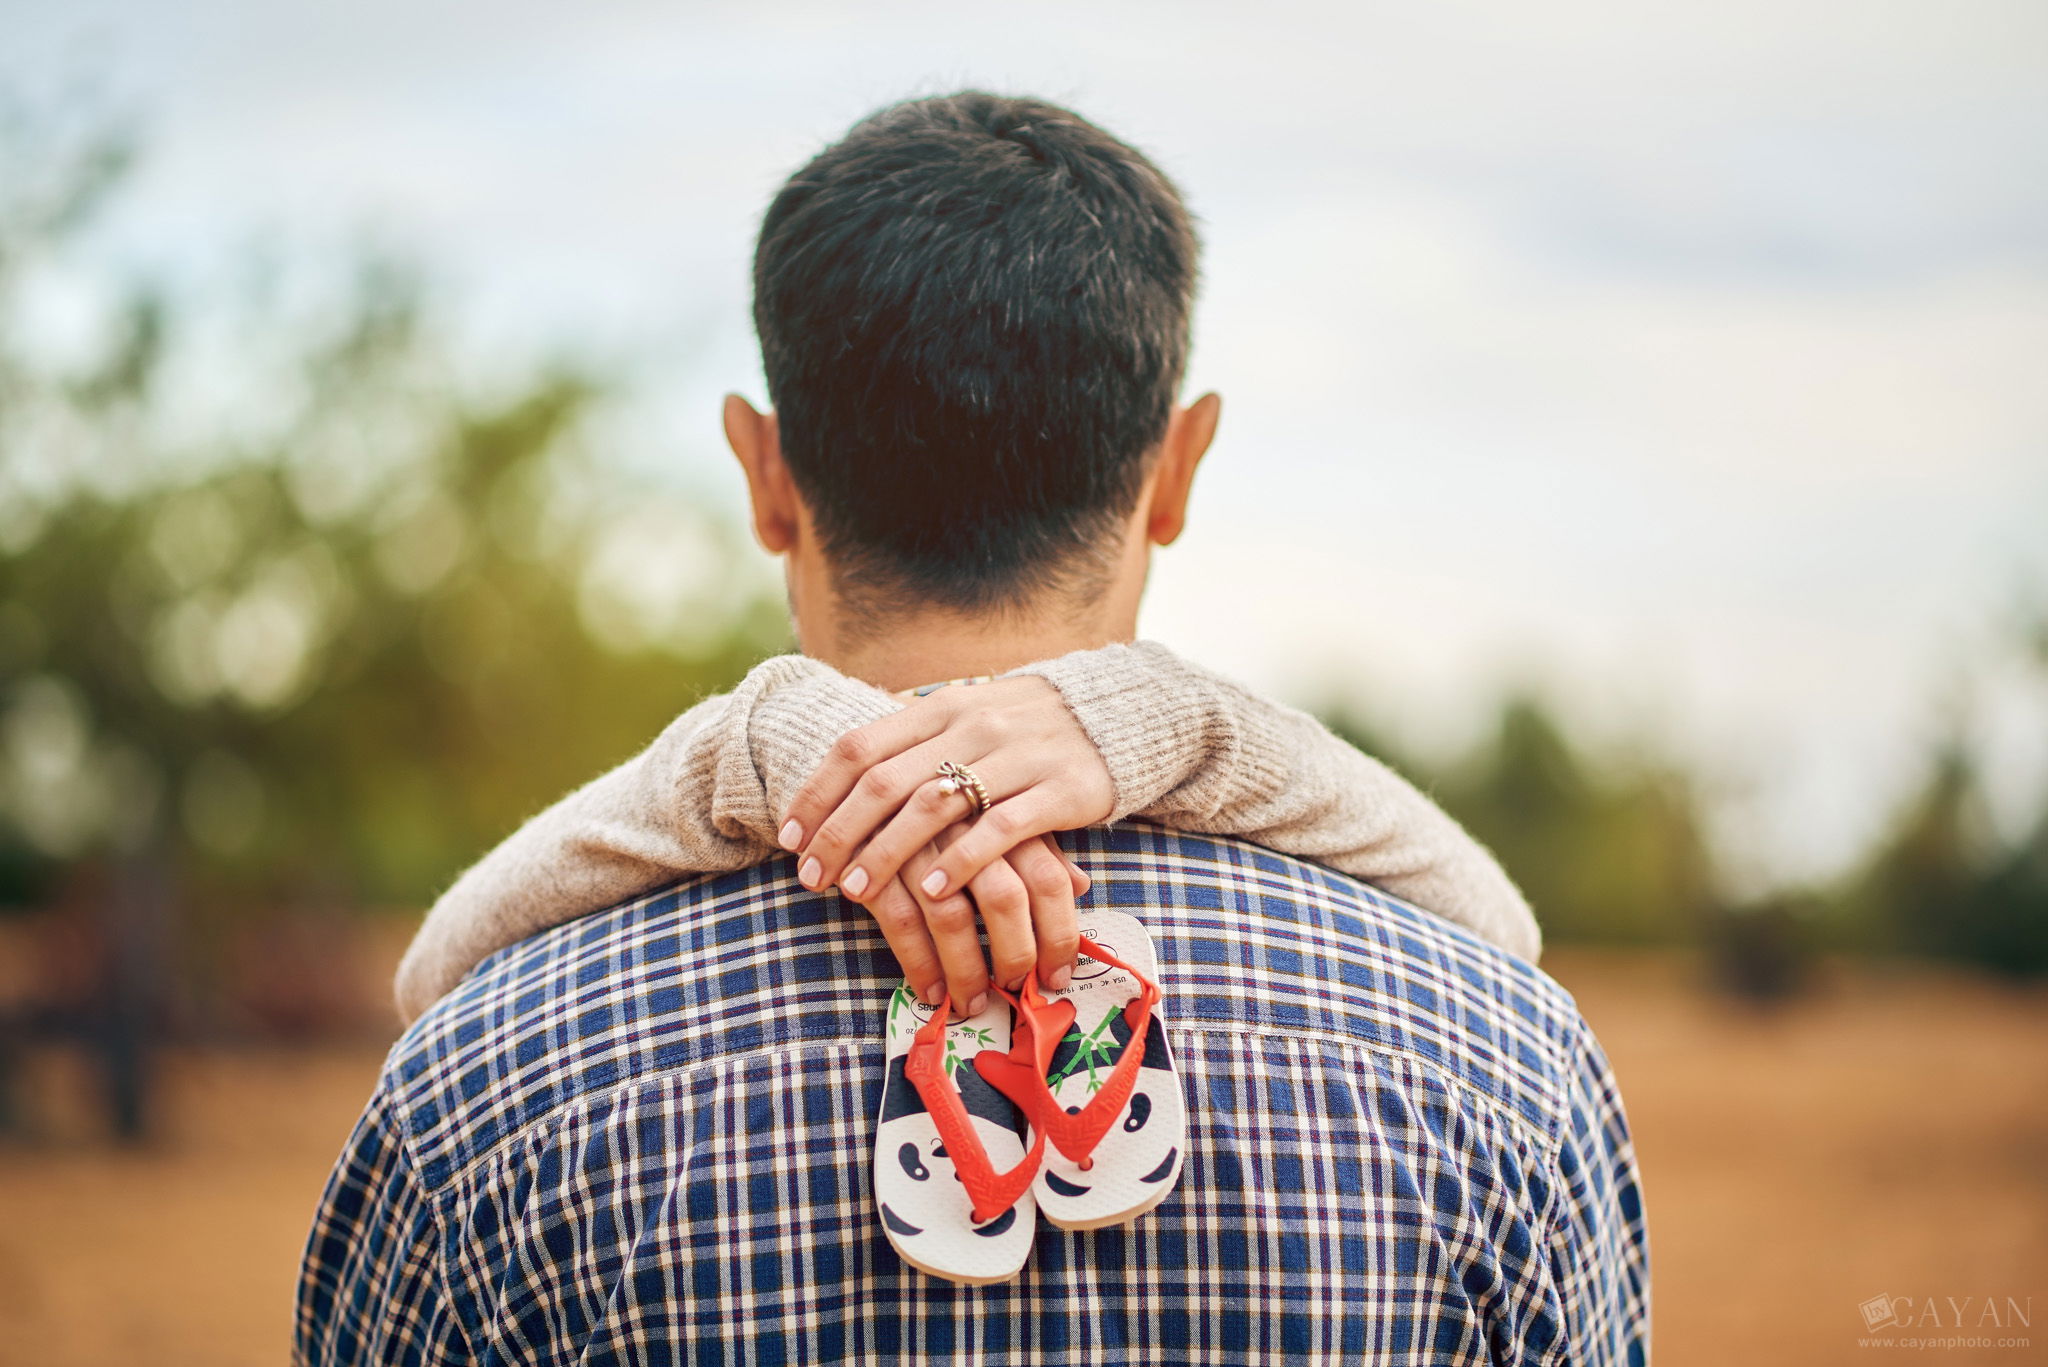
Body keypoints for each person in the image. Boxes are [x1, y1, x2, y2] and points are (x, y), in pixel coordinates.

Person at [297, 90, 1649, 1363]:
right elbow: (1503, 932)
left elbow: (438, 978)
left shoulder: (486, 1090)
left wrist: (747, 752)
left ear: (765, 476)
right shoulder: (1500, 1065)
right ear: (1176, 470)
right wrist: (1187, 724)